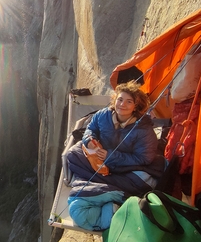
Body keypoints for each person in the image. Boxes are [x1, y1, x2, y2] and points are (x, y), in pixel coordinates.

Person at [66, 80, 166, 231]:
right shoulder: (103, 115)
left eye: (129, 101)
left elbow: (144, 159)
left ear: (136, 106)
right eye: (120, 99)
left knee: (143, 181)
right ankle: (109, 187)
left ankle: (113, 192)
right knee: (72, 154)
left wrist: (110, 156)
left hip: (130, 169)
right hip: (106, 164)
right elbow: (90, 128)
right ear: (115, 99)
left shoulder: (144, 130)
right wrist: (90, 140)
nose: (122, 104)